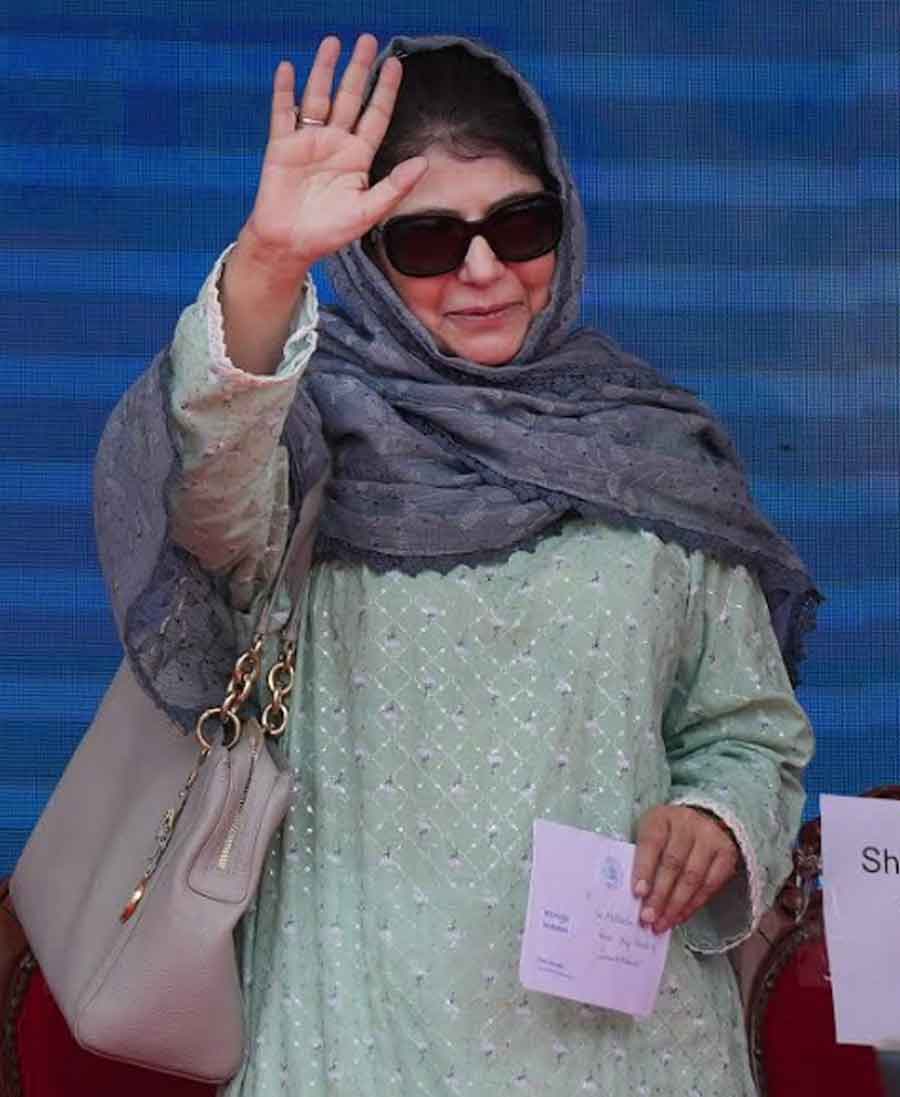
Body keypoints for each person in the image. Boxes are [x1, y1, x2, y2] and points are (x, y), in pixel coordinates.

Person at [94, 33, 817, 1097]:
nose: (483, 270)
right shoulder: (301, 442)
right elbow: (203, 497)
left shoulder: (652, 454)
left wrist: (714, 818)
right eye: (427, 241)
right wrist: (267, 262)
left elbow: (748, 726)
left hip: (630, 1052)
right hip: (354, 1032)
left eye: (519, 226)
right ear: (368, 259)